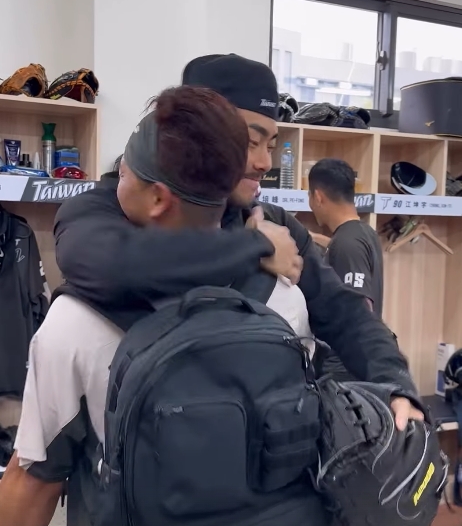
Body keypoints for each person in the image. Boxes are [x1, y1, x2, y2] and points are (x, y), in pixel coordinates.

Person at [0, 86, 316, 526]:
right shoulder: (285, 300)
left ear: (158, 198)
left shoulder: (75, 325)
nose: (113, 180)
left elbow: (34, 481)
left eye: (124, 172)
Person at [52, 54, 420, 424]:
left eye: (270, 145)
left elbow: (342, 310)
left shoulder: (271, 222)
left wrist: (394, 382)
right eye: (249, 141)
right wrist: (255, 248)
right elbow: (115, 262)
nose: (264, 163)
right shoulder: (110, 205)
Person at [308, 157, 386, 526]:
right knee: (352, 483)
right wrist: (317, 243)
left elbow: (359, 314)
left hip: (345, 383)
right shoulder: (360, 234)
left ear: (318, 196)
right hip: (356, 381)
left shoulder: (348, 245)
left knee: (338, 485)